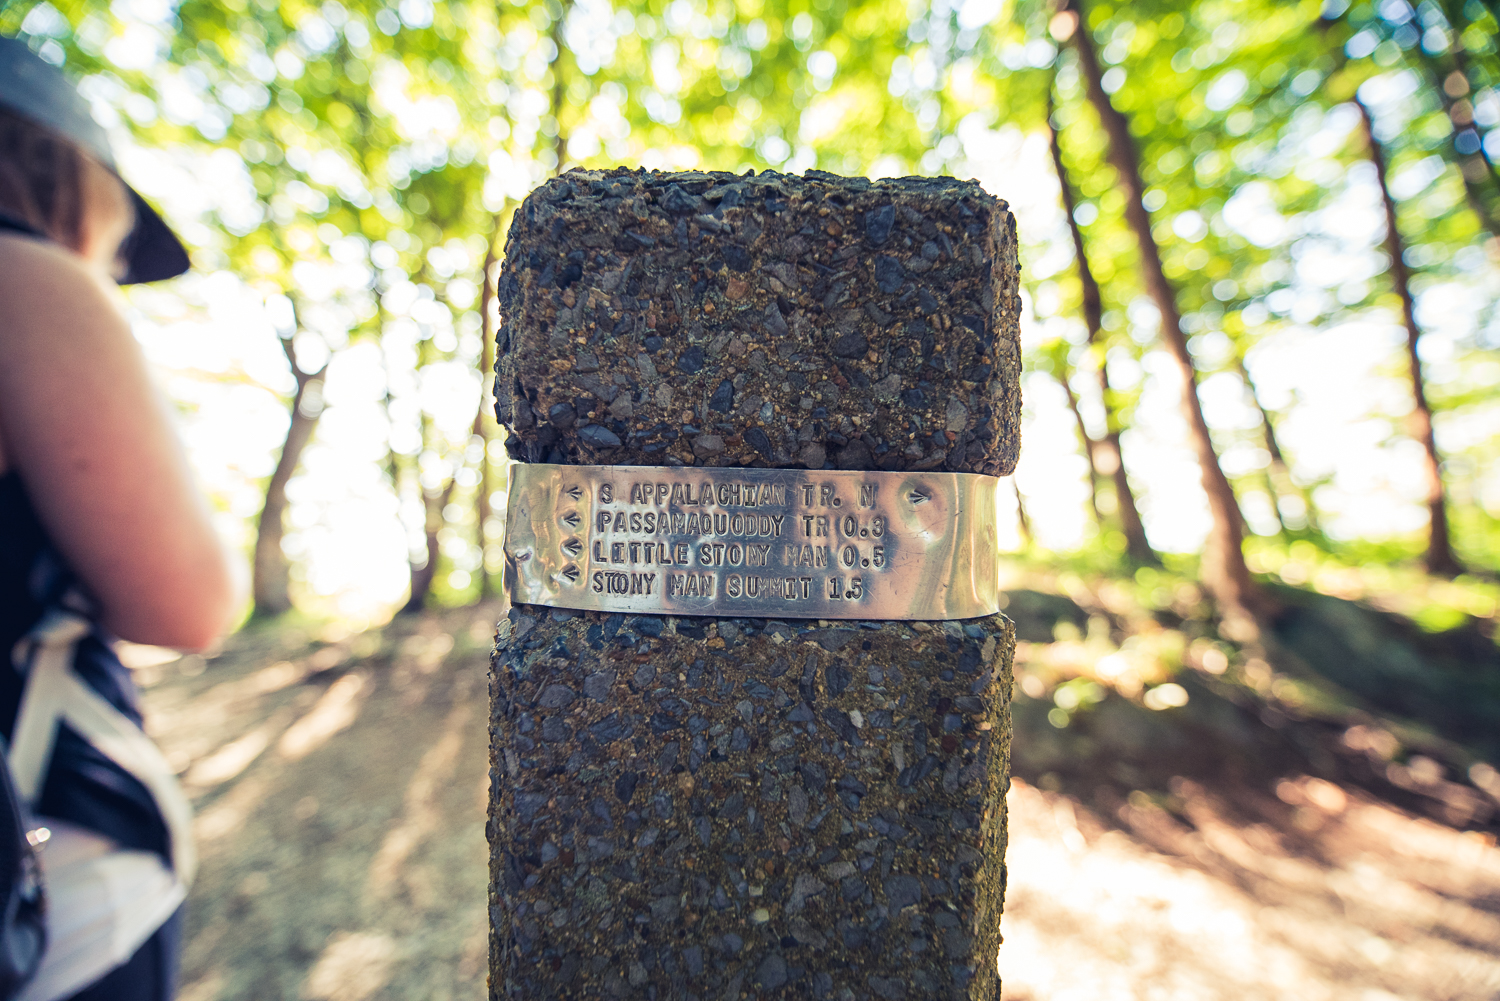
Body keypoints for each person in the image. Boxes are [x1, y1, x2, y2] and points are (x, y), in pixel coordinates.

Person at [0, 35, 239, 1001]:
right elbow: (193, 604)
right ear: (68, 177)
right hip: (62, 905)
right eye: (120, 239)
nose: (111, 262)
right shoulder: (28, 282)